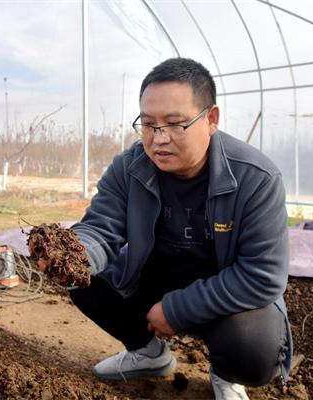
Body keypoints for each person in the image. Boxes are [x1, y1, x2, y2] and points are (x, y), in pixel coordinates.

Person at [54, 58, 292, 400]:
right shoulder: (130, 168)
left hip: (223, 288)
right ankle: (149, 353)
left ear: (211, 119)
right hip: (156, 276)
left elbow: (262, 275)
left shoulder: (255, 178)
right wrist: (72, 253)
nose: (159, 139)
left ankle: (226, 374)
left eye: (174, 123)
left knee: (253, 348)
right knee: (80, 276)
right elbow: (101, 230)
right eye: (148, 124)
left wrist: (178, 309)